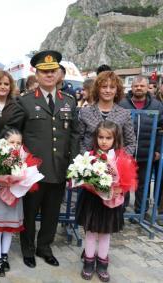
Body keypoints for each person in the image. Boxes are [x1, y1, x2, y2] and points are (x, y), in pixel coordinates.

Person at [6, 50, 79, 268]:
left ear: (59, 74)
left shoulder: (69, 101)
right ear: (36, 75)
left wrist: (73, 163)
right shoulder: (25, 101)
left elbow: (74, 135)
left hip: (59, 168)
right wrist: (16, 160)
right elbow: (11, 131)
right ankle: (27, 248)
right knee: (29, 212)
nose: (48, 75)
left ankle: (44, 247)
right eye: (43, 71)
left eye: (52, 71)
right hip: (33, 171)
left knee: (52, 212)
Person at [76, 121, 137, 282]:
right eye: (101, 137)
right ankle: (88, 261)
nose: (104, 141)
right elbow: (82, 176)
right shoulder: (90, 156)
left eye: (108, 138)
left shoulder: (120, 158)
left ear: (115, 139)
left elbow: (127, 179)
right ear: (96, 138)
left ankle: (102, 263)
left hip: (110, 203)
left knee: (105, 234)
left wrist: (119, 188)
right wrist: (89, 183)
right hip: (92, 201)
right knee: (90, 232)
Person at [0, 128, 33, 277]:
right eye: (12, 142)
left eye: (18, 143)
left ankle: (4, 255)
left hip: (14, 200)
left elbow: (26, 180)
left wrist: (20, 182)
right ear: (3, 142)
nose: (15, 145)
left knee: (9, 230)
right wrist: (1, 183)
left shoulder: (22, 159)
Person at [119, 75, 163, 214]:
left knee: (143, 184)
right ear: (131, 87)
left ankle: (140, 212)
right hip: (125, 152)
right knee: (122, 182)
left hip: (146, 152)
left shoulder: (157, 105)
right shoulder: (121, 103)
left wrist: (156, 149)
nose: (138, 88)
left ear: (147, 87)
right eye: (136, 86)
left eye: (142, 86)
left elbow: (160, 129)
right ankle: (120, 211)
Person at [79, 71, 136, 156]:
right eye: (104, 87)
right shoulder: (85, 112)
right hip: (89, 164)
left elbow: (131, 143)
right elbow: (79, 140)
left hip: (115, 166)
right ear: (97, 89)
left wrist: (117, 160)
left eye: (112, 87)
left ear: (117, 90)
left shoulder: (124, 114)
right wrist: (88, 158)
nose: (108, 90)